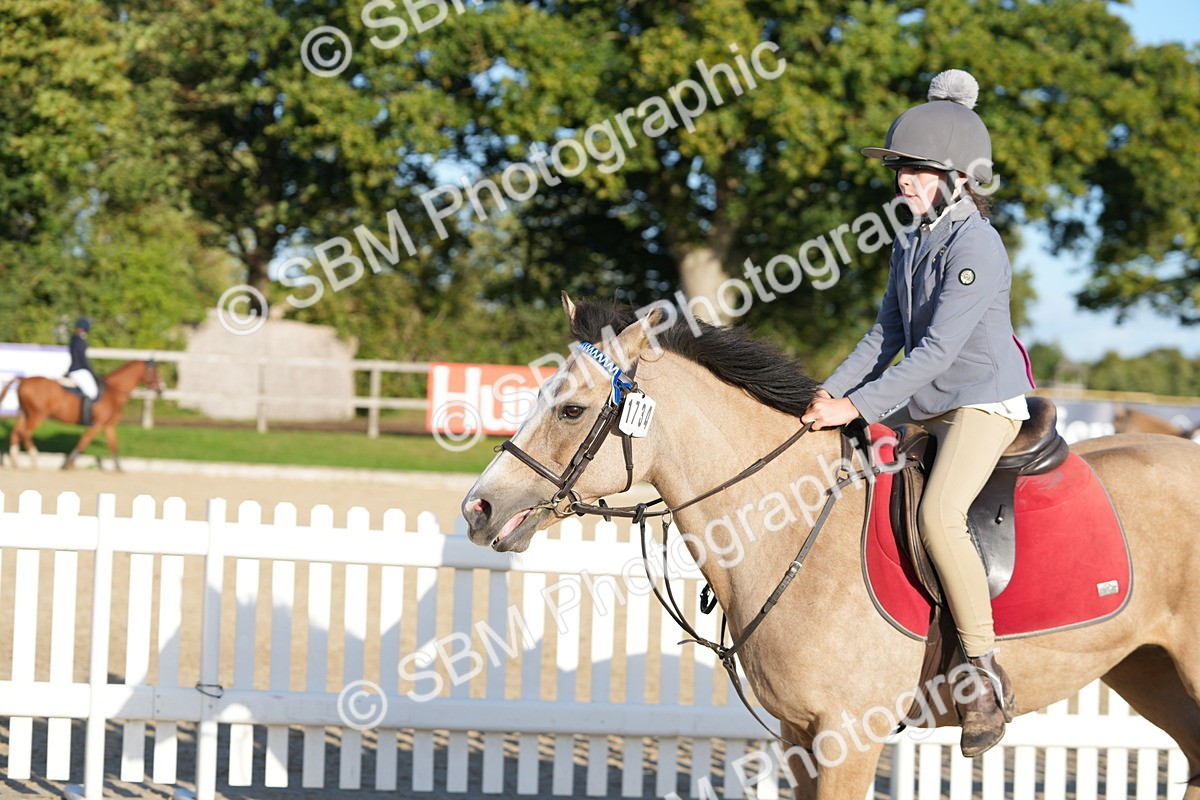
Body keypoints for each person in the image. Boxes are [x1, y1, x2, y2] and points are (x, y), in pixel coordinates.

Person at [800, 69, 1034, 757]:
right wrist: (824, 394)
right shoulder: (910, 239)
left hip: (982, 403)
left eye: (920, 170)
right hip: (930, 405)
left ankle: (983, 676)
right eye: (904, 167)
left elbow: (934, 351)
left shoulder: (976, 247)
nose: (904, 180)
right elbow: (884, 338)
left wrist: (858, 405)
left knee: (937, 515)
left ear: (959, 178)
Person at [66, 317, 100, 422]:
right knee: (92, 392)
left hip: (77, 369)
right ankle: (86, 417)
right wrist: (91, 371)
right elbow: (83, 360)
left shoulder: (75, 339)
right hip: (79, 370)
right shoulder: (79, 341)